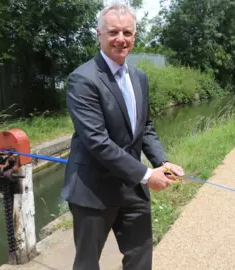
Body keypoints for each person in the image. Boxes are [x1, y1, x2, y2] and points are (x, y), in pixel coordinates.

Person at [61, 3, 185, 270]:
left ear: (134, 36)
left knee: (141, 256)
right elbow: (97, 141)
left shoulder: (139, 77)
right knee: (87, 263)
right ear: (99, 35)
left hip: (132, 186)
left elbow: (145, 127)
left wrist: (162, 162)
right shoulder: (82, 79)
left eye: (127, 33)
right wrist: (146, 174)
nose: (121, 39)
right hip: (92, 189)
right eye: (113, 32)